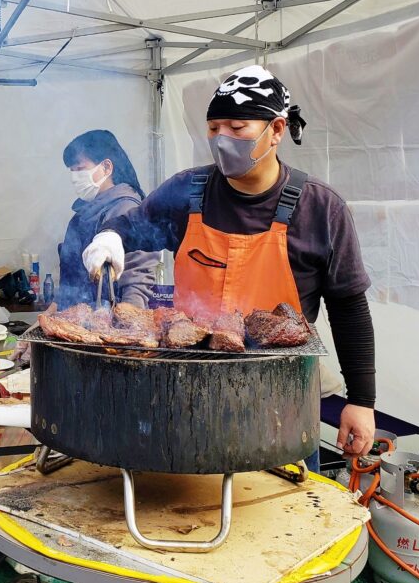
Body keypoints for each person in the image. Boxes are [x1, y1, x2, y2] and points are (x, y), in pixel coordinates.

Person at [82, 65, 377, 463]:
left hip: (282, 406)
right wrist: (110, 237)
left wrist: (362, 400)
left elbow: (349, 309)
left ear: (276, 130)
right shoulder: (187, 192)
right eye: (214, 127)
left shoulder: (320, 208)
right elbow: (131, 225)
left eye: (237, 128)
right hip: (186, 397)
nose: (222, 139)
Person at [57, 130, 156, 309]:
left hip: (114, 321)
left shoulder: (127, 209)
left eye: (80, 169)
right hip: (80, 320)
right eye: (71, 171)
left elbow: (138, 279)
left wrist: (127, 324)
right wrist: (53, 311)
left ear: (106, 167)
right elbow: (70, 283)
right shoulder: (80, 216)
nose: (74, 178)